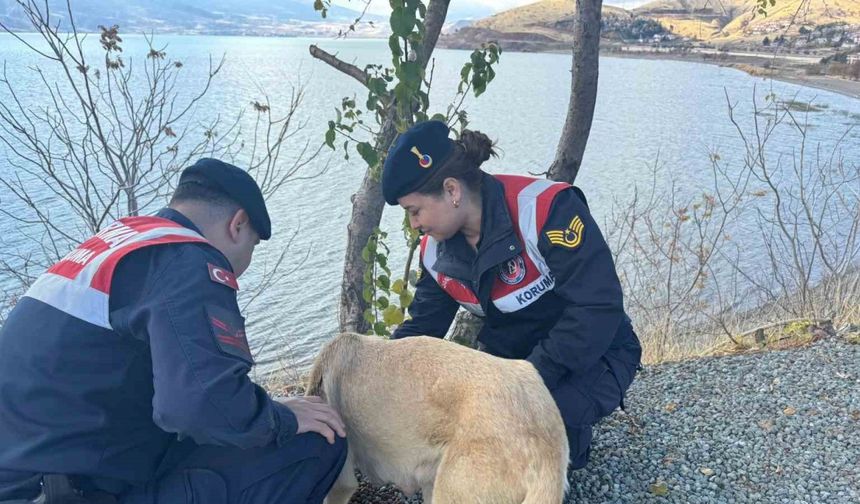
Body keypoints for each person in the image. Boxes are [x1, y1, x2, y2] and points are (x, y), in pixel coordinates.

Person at [0, 158, 347, 504]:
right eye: (252, 246)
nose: (244, 264)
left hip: (39, 476)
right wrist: (280, 419)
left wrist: (257, 409)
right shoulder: (187, 261)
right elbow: (201, 407)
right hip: (72, 492)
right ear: (237, 225)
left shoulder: (119, 244)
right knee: (313, 443)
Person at [382, 121, 642, 470]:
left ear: (452, 190)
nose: (414, 224)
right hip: (514, 364)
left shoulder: (547, 210)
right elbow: (422, 328)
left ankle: (567, 437)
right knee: (464, 436)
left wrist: (524, 387)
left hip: (597, 353)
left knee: (527, 444)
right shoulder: (434, 251)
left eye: (414, 211)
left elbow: (597, 308)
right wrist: (378, 373)